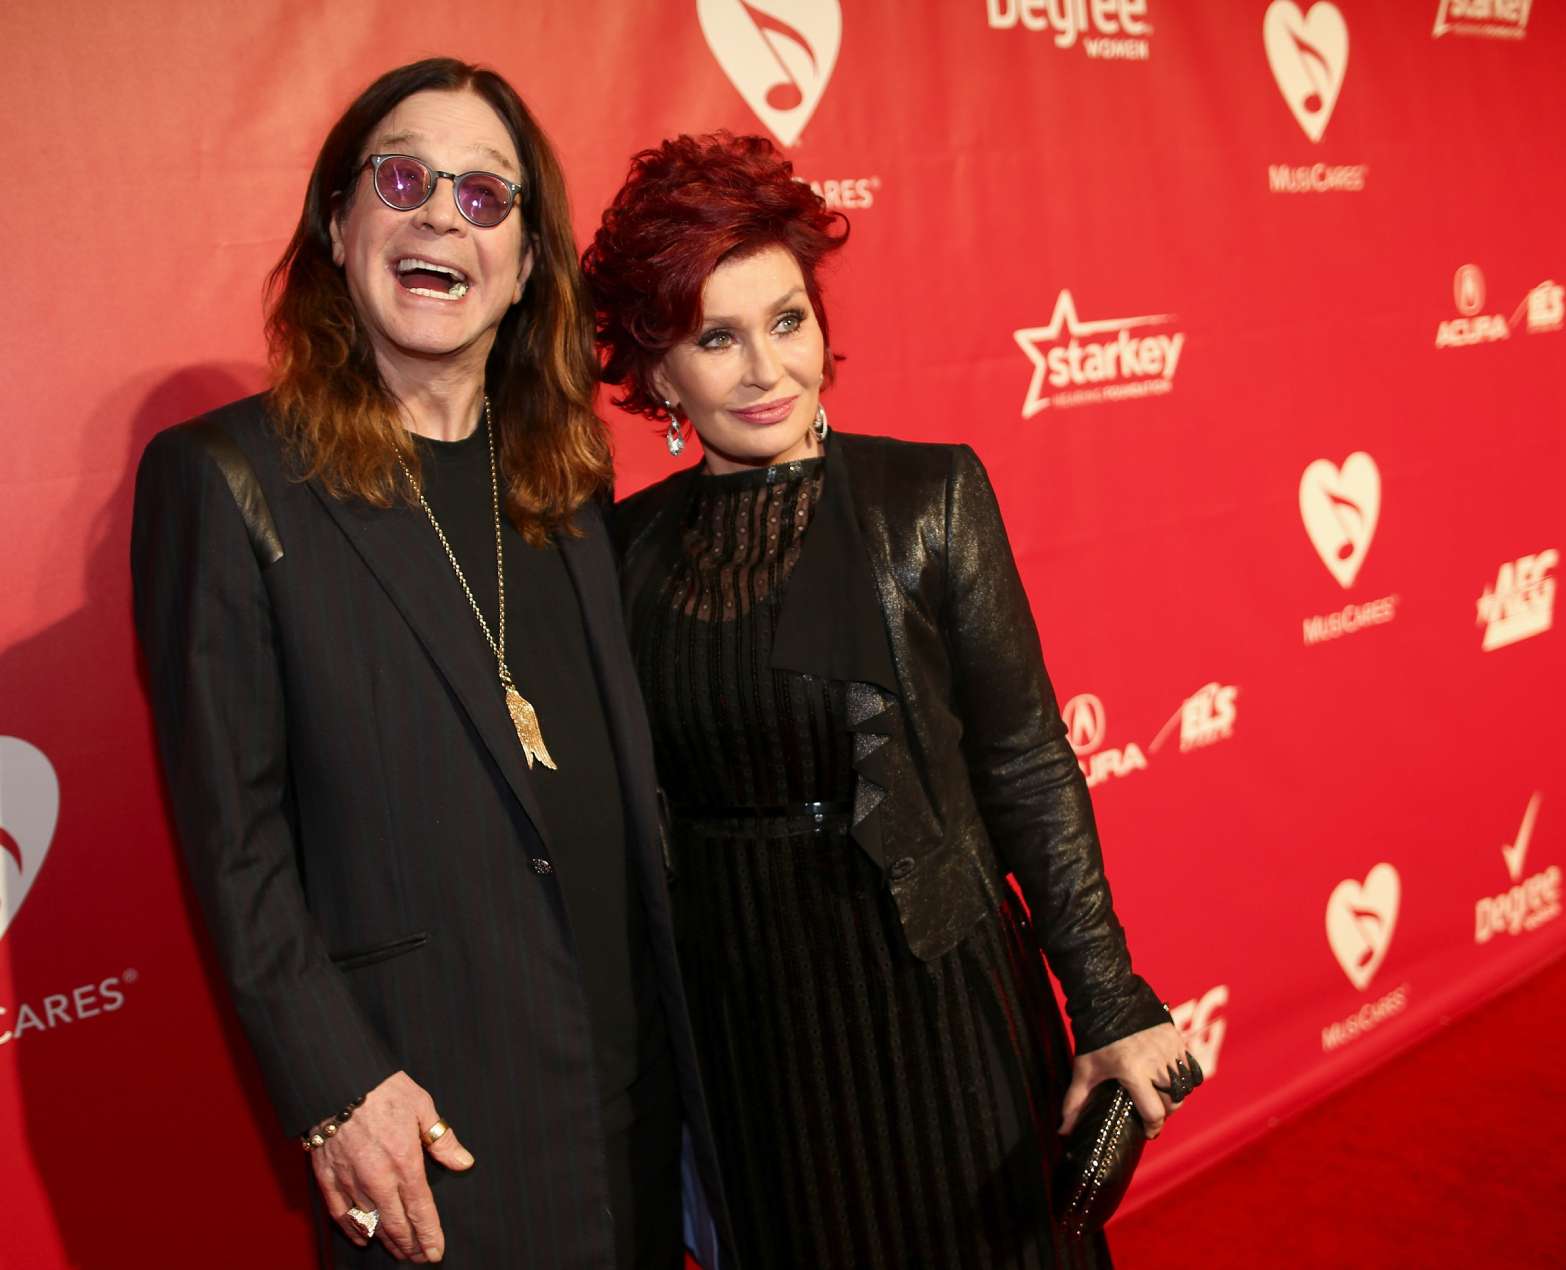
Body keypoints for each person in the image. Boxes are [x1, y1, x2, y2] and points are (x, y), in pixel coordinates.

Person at [132, 60, 725, 1268]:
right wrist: (337, 1089)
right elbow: (235, 843)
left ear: (525, 264)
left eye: (484, 195)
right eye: (402, 180)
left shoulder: (563, 479)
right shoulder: (230, 480)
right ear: (337, 224)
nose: (442, 214)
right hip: (431, 1123)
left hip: (640, 1096)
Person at [583, 133, 1201, 1269]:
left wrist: (1108, 1001)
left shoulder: (926, 498)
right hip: (745, 1030)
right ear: (658, 374)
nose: (765, 369)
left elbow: (1024, 759)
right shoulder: (623, 552)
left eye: (786, 321)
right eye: (715, 338)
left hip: (931, 993)